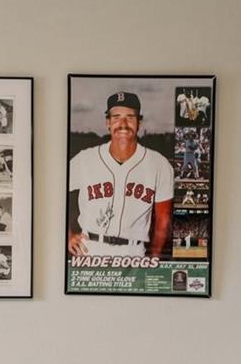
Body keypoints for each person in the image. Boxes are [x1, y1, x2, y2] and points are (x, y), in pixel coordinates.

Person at [67, 91, 174, 258]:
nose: (123, 124)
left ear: (139, 122)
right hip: (89, 248)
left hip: (134, 251)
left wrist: (154, 259)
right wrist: (68, 236)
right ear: (108, 123)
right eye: (116, 117)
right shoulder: (84, 159)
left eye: (130, 117)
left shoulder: (159, 164)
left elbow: (163, 220)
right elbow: (53, 195)